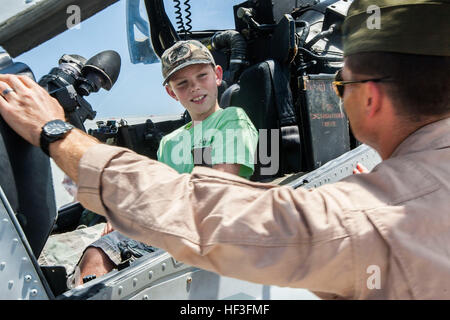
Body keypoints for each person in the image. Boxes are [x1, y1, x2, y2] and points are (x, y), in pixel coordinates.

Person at [0, 0, 449, 299]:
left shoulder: (372, 213)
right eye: (181, 83)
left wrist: (56, 132)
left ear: (370, 98)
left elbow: (216, 209)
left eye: (339, 84)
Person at [41, 40, 259, 285]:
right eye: (183, 84)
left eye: (202, 76)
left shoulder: (231, 119)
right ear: (171, 92)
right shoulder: (169, 141)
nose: (195, 88)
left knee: (98, 255)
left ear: (217, 75)